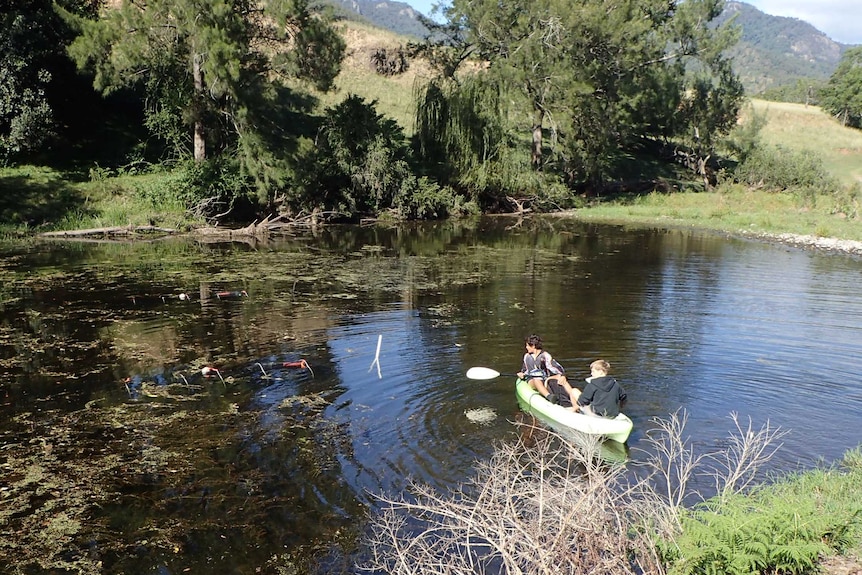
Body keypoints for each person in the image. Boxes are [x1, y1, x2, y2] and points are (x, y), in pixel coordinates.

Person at [517, 334, 580, 407]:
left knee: (561, 378)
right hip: (532, 379)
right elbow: (525, 370)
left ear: (533, 346)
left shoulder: (545, 356)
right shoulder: (527, 356)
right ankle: (549, 396)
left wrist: (562, 375)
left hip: (544, 378)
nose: (526, 347)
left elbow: (555, 367)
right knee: (537, 380)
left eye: (527, 345)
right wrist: (522, 374)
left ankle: (575, 397)